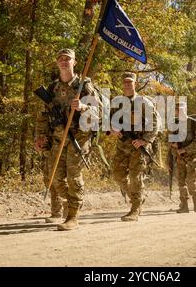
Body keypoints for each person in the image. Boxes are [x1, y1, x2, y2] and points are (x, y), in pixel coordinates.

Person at [34, 48, 100, 231]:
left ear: (74, 62)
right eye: (61, 59)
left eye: (68, 59)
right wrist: (40, 137)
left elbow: (98, 113)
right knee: (55, 178)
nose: (64, 61)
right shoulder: (52, 88)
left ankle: (73, 216)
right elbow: (43, 116)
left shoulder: (83, 85)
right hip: (57, 138)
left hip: (79, 137)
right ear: (57, 63)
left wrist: (83, 107)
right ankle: (73, 202)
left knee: (73, 177)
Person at [108, 72, 158, 221]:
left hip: (138, 145)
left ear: (135, 83)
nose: (127, 84)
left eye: (130, 82)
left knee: (135, 177)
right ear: (122, 84)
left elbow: (155, 123)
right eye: (125, 82)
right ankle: (137, 197)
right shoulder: (117, 102)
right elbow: (108, 120)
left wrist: (145, 141)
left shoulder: (144, 102)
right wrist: (112, 128)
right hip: (122, 145)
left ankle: (135, 209)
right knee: (118, 175)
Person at [168, 101, 196, 213]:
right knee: (181, 182)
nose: (179, 111)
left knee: (191, 181)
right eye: (177, 109)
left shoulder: (194, 124)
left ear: (186, 109)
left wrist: (185, 149)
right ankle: (184, 205)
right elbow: (168, 141)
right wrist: (174, 146)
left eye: (181, 108)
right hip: (179, 157)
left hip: (192, 157)